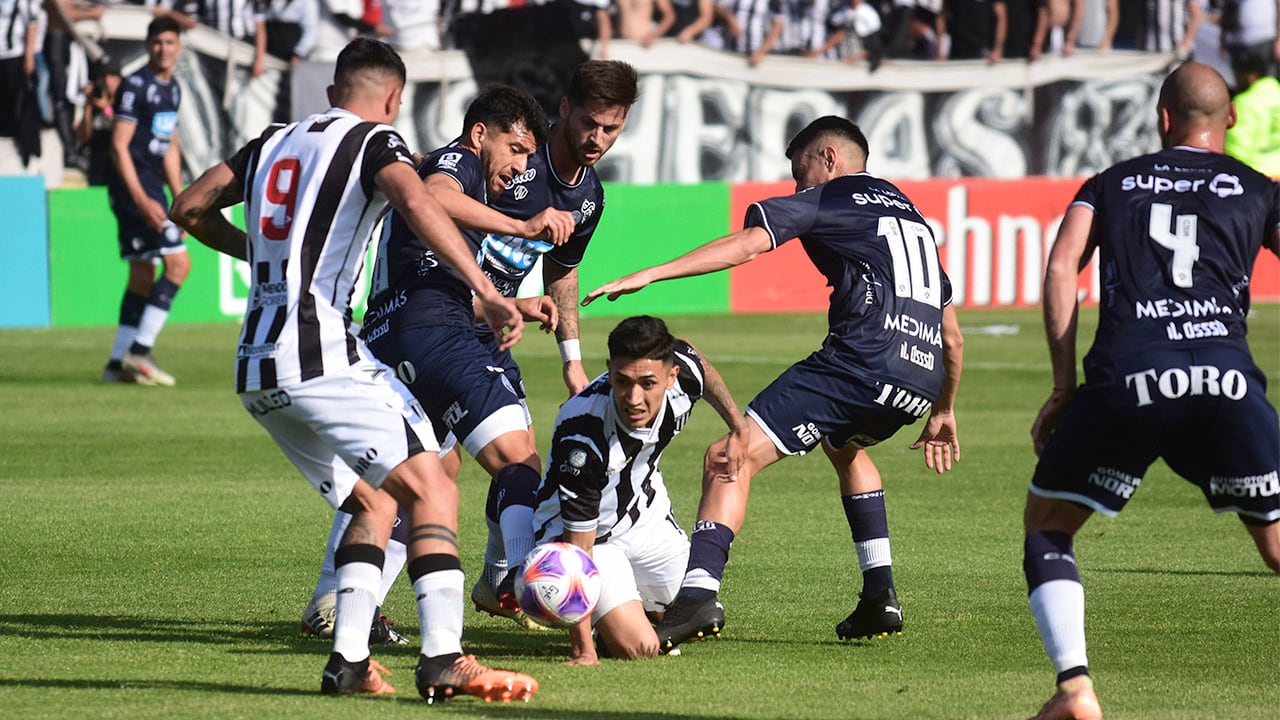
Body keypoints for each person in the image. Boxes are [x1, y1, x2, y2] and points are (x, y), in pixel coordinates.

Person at [168, 36, 538, 703]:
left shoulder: (274, 140)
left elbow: (189, 207)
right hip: (319, 351)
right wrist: (483, 286)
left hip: (255, 365)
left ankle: (348, 663)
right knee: (434, 485)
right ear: (392, 99)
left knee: (377, 496)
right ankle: (445, 656)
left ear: (333, 92)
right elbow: (419, 201)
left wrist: (259, 256)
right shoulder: (377, 142)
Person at [584, 115, 964, 652]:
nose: (796, 185)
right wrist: (944, 409)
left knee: (729, 453)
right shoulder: (916, 221)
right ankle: (880, 591)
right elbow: (953, 335)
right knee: (845, 445)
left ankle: (697, 598)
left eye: (799, 170)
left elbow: (747, 245)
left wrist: (651, 274)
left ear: (828, 159)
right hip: (918, 382)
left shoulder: (836, 197)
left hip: (860, 363)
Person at [299, 60, 640, 638]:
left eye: (612, 129)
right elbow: (432, 199)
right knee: (516, 456)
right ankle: (515, 576)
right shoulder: (470, 161)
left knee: (422, 473)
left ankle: (336, 601)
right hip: (437, 326)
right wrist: (525, 227)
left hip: (454, 322)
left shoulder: (587, 195)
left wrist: (570, 355)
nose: (597, 139)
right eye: (589, 123)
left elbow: (563, 271)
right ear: (564, 111)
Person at [1020, 62, 1280, 720]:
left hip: (1129, 374)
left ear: (1162, 120)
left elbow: (1059, 268)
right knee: (1277, 547)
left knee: (1049, 526)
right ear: (1232, 119)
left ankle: (1076, 688)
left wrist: (1062, 384)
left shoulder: (1109, 184)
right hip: (1225, 378)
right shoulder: (1259, 187)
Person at [528, 315, 749, 664]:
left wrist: (738, 426)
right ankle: (605, 630)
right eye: (622, 381)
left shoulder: (682, 379)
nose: (634, 398)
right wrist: (582, 650)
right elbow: (579, 548)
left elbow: (697, 361)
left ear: (671, 376)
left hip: (645, 519)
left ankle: (632, 609)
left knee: (697, 604)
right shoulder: (584, 436)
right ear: (609, 371)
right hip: (588, 540)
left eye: (647, 383)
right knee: (639, 648)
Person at [102, 16, 189, 387]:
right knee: (178, 265)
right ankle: (141, 349)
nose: (163, 49)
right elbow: (119, 146)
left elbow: (169, 144)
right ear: (148, 44)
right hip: (135, 188)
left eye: (170, 42)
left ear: (178, 46)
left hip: (153, 187)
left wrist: (180, 196)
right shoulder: (135, 85)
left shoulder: (174, 89)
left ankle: (116, 364)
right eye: (157, 43)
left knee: (141, 276)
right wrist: (141, 198)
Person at [1225, 50, 1280, 175]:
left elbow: (1234, 151)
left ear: (1251, 76)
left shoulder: (1244, 103)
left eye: (1237, 74)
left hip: (1257, 177)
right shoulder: (1277, 92)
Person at [78, 54, 122, 186]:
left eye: (112, 75)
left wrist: (106, 108)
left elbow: (124, 131)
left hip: (119, 168)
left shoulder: (126, 100)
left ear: (119, 78)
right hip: (98, 166)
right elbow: (84, 137)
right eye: (103, 76)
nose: (107, 81)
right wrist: (88, 106)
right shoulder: (94, 103)